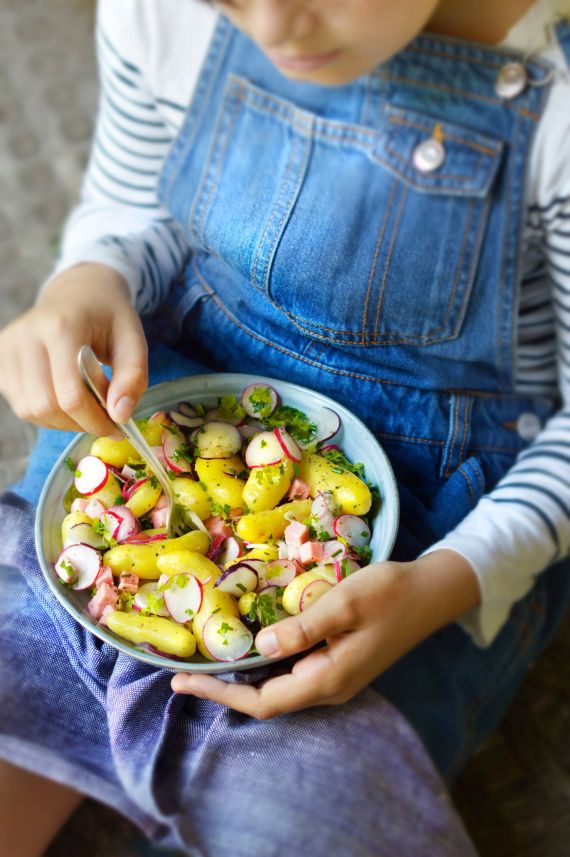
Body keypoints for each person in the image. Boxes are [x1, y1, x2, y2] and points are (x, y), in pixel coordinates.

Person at [1, 0, 570, 854]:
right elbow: (134, 204)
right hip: (163, 411)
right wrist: (89, 275)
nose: (271, 30)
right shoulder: (159, 13)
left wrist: (449, 581)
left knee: (311, 813)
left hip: (431, 530)